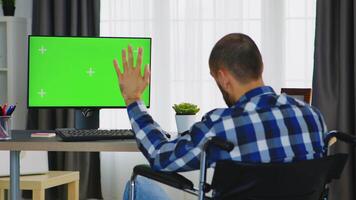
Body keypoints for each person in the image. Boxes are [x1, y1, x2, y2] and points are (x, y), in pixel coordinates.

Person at [113, 33, 327, 199]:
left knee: (139, 184)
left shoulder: (222, 126)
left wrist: (133, 98)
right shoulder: (313, 117)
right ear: (260, 67)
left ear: (224, 78)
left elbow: (160, 156)